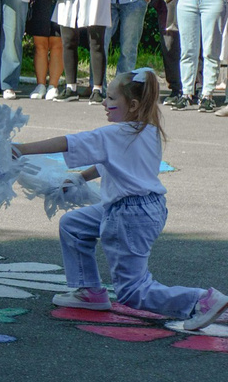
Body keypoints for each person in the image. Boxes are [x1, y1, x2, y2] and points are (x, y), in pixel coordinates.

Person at [12, 69, 226, 333]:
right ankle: (89, 291)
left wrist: (21, 149)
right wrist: (81, 177)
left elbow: (68, 142)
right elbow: (115, 163)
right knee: (74, 224)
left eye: (112, 98)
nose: (104, 102)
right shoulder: (148, 130)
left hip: (128, 215)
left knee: (133, 291)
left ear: (133, 105)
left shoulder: (113, 135)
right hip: (146, 208)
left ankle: (202, 301)